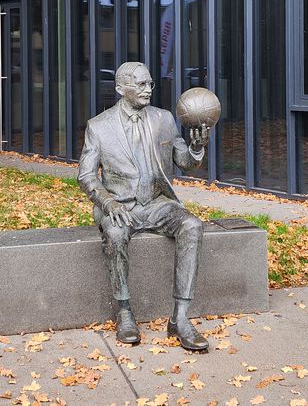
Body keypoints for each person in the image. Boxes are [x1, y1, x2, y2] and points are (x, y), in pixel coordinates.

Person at [77, 61, 212, 351]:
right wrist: (108, 202)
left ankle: (180, 318)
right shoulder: (98, 126)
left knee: (192, 225)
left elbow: (184, 162)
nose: (148, 89)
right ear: (120, 89)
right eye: (140, 84)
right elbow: (86, 176)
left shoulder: (164, 119)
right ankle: (125, 312)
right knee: (115, 234)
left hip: (157, 204)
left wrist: (196, 148)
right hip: (120, 206)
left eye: (150, 83)